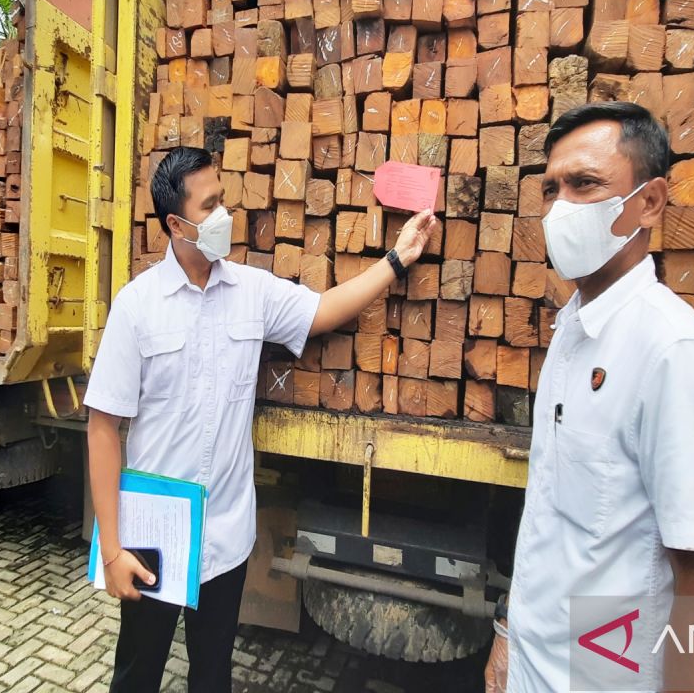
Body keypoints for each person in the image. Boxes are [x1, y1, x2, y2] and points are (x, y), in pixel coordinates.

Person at [84, 146, 436, 692]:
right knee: (137, 674)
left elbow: (323, 310)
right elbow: (103, 428)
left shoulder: (250, 291)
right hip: (154, 534)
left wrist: (397, 259)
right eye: (211, 206)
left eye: (223, 199)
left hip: (225, 532)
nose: (225, 216)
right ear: (177, 224)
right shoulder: (137, 307)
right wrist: (112, 551)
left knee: (212, 675)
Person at [485, 102, 694, 693]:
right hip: (537, 664)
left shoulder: (674, 352)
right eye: (551, 189)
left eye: (585, 184)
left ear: (649, 202)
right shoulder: (572, 332)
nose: (561, 208)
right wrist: (508, 638)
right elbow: (551, 518)